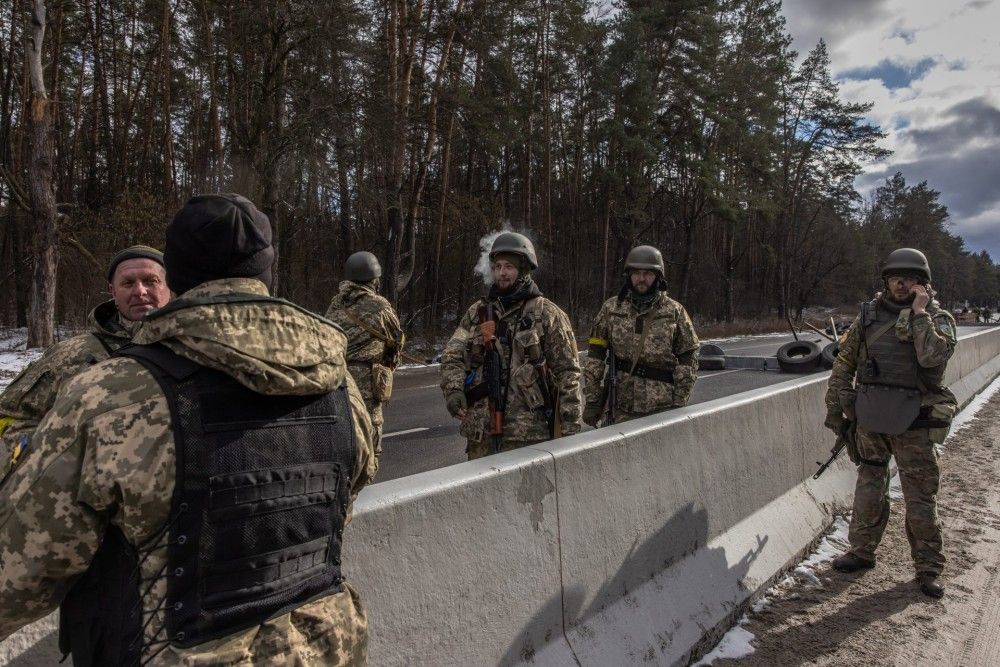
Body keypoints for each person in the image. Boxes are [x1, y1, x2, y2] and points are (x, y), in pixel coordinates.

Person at [0, 194, 375, 665]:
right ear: (265, 272)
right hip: (326, 644)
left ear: (173, 279)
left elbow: (22, 570)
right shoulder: (338, 381)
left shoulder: (110, 393)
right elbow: (348, 489)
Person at [824, 247, 957, 598]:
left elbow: (932, 358)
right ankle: (861, 551)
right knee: (869, 487)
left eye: (910, 278)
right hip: (870, 417)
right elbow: (844, 365)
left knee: (920, 498)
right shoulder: (867, 316)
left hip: (915, 420)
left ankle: (928, 567)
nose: (901, 283)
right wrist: (837, 410)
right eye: (895, 277)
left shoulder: (938, 318)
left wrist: (919, 314)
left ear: (922, 284)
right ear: (885, 280)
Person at [0, 245, 170, 475]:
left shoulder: (197, 348)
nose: (139, 291)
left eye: (151, 281)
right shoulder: (71, 355)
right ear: (113, 291)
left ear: (170, 286)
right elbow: (9, 421)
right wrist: (64, 461)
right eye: (128, 283)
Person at [440, 231, 582, 459]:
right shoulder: (477, 313)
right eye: (497, 266)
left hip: (530, 436)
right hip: (482, 435)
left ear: (523, 269)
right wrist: (454, 390)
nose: (502, 273)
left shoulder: (547, 314)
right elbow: (452, 354)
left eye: (509, 267)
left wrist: (570, 431)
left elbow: (568, 373)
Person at [582, 245, 700, 426]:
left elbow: (689, 357)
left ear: (658, 277)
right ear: (628, 275)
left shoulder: (674, 311)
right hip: (620, 406)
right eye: (636, 273)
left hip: (662, 407)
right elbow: (595, 357)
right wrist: (592, 400)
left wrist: (679, 401)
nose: (642, 279)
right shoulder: (611, 309)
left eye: (648, 274)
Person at [325, 250, 404, 475]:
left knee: (343, 434)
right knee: (370, 437)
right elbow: (396, 338)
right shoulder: (379, 305)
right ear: (374, 279)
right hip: (367, 383)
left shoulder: (335, 304)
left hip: (338, 380)